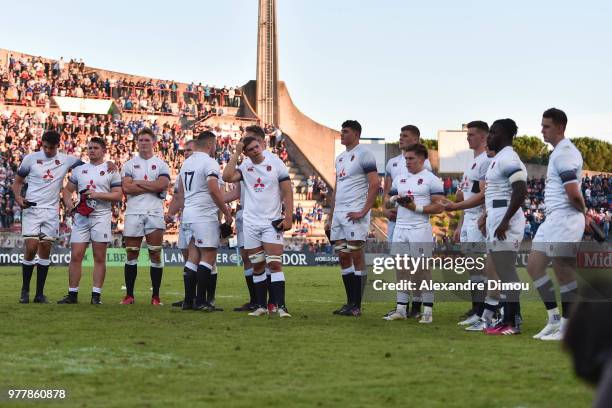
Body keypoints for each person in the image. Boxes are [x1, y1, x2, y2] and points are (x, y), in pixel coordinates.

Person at [528, 108, 586, 341]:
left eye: (546, 126)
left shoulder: (565, 154)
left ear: (560, 127)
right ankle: (554, 319)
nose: (542, 130)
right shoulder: (558, 153)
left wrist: (584, 213)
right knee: (534, 266)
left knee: (563, 270)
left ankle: (569, 326)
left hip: (565, 218)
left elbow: (572, 192)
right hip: (553, 218)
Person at [223, 134, 294, 317]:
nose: (255, 150)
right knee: (257, 266)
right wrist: (236, 152)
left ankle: (281, 307)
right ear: (246, 153)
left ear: (261, 146)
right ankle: (261, 306)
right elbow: (227, 176)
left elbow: (287, 191)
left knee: (275, 264)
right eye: (250, 149)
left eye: (256, 147)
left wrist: (288, 217)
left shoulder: (276, 163)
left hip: (271, 222)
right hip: (250, 223)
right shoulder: (245, 166)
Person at [11, 130, 85, 304]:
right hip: (32, 209)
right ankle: (25, 290)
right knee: (31, 247)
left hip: (51, 211)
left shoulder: (66, 159)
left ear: (58, 146)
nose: (47, 150)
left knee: (45, 249)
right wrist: (18, 198)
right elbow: (17, 183)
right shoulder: (30, 159)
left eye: (51, 148)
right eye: (45, 146)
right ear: (41, 143)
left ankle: (39, 294)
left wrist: (108, 164)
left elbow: (87, 167)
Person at [383, 143, 444, 323]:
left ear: (422, 159)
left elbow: (439, 207)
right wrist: (394, 199)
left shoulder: (431, 179)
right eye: (406, 158)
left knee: (422, 271)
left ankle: (427, 312)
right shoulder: (399, 179)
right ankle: (401, 309)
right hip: (400, 228)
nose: (407, 162)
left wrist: (415, 207)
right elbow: (386, 202)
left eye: (411, 158)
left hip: (419, 228)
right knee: (401, 270)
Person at [57, 138, 122, 304]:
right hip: (82, 216)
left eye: (96, 148)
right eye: (90, 148)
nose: (92, 150)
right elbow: (67, 191)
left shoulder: (111, 170)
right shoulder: (79, 170)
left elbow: (117, 195)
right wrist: (70, 206)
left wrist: (97, 195)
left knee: (99, 257)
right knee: (76, 255)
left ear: (103, 150)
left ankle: (96, 295)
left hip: (101, 216)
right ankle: (72, 295)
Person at [325, 120, 379, 317]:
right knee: (343, 256)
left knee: (357, 256)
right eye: (341, 131)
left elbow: (375, 183)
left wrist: (364, 211)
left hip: (355, 213)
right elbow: (337, 188)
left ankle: (357, 305)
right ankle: (349, 303)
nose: (341, 134)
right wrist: (330, 216)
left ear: (356, 134)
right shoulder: (339, 158)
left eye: (345, 131)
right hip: (339, 215)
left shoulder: (365, 154)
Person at [439, 121, 490, 326]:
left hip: (478, 218)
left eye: (472, 134)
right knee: (473, 267)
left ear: (484, 137)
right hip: (467, 219)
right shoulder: (471, 163)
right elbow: (463, 196)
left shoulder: (487, 160)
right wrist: (459, 225)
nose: (468, 137)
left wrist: (484, 217)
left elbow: (487, 194)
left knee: (481, 267)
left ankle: (486, 310)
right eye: (467, 134)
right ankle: (477, 309)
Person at [480, 119, 528, 335]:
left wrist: (505, 221)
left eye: (493, 132)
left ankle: (512, 321)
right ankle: (507, 318)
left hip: (505, 218)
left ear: (505, 135)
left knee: (506, 270)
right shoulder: (498, 158)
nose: (489, 136)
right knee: (501, 269)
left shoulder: (508, 157)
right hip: (496, 215)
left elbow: (520, 189)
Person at [177, 131, 233, 311]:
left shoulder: (186, 163)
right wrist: (226, 212)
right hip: (204, 216)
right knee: (208, 256)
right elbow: (213, 189)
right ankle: (201, 301)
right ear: (210, 145)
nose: (216, 148)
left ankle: (188, 300)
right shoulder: (210, 162)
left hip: (189, 215)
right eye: (215, 145)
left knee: (193, 257)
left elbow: (181, 192)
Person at [119, 128, 171, 305]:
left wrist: (138, 182)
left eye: (147, 140)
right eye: (140, 140)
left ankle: (155, 296)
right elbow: (126, 188)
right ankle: (129, 295)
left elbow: (162, 185)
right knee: (131, 254)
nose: (143, 143)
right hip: (134, 212)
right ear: (137, 142)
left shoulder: (162, 164)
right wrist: (152, 185)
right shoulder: (129, 164)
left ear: (154, 142)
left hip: (154, 213)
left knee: (155, 254)